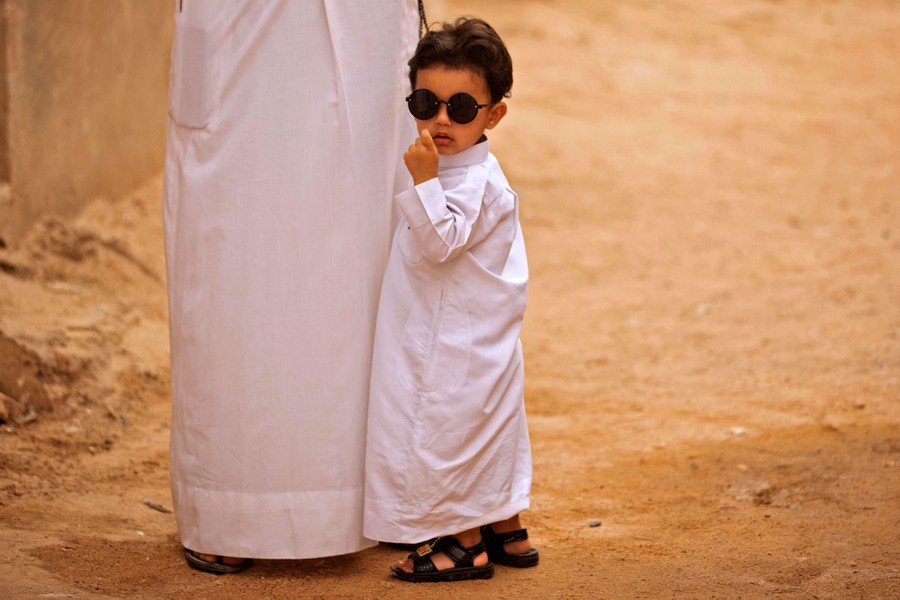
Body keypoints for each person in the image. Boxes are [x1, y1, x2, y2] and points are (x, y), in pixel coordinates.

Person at [162, 1, 420, 573]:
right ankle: (232, 508)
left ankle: (376, 499)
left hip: (367, 21)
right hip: (246, 27)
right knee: (236, 246)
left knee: (367, 240)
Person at [364, 17, 539, 583]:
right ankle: (506, 528)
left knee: (440, 433)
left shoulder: (469, 180)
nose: (440, 119)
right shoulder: (467, 167)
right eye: (426, 103)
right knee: (488, 429)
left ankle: (462, 543)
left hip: (451, 344)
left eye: (461, 108)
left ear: (493, 115)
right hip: (476, 337)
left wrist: (422, 180)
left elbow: (442, 243)